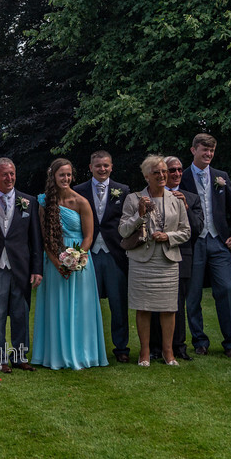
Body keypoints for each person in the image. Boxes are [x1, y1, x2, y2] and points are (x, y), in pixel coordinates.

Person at [32, 158, 108, 370]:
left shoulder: (81, 202)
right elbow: (44, 237)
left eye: (68, 175)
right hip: (54, 261)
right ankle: (55, 353)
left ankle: (83, 353)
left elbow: (89, 237)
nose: (65, 178)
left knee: (79, 309)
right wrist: (57, 263)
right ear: (53, 177)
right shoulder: (44, 203)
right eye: (61, 175)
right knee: (56, 307)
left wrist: (75, 259)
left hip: (80, 263)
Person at [119, 155, 191, 366]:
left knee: (169, 308)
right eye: (156, 172)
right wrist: (139, 215)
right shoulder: (133, 199)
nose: (162, 176)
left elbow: (186, 232)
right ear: (146, 176)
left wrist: (168, 236)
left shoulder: (176, 200)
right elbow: (123, 231)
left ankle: (169, 353)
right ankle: (144, 352)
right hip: (142, 260)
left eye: (164, 172)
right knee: (143, 307)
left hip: (167, 260)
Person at [179, 133, 231, 357]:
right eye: (204, 149)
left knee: (226, 289)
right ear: (193, 150)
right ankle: (199, 341)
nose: (208, 154)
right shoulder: (182, 177)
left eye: (212, 150)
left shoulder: (221, 177)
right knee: (192, 294)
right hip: (193, 243)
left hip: (219, 242)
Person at [0, 158, 43, 373]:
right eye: (4, 174)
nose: (9, 178)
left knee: (21, 313)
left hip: (20, 267)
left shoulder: (28, 201)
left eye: (12, 174)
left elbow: (35, 238)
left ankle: (19, 356)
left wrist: (37, 268)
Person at [74, 150, 131, 363]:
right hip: (88, 253)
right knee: (88, 303)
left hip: (114, 253)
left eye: (106, 165)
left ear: (111, 166)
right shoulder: (78, 191)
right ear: (90, 167)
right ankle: (88, 347)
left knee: (118, 303)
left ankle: (121, 347)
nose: (102, 169)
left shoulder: (123, 190)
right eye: (98, 165)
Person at [150, 156, 204, 361]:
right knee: (155, 301)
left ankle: (178, 346)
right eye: (171, 170)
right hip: (156, 255)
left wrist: (186, 209)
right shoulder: (152, 195)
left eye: (179, 170)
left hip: (182, 255)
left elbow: (198, 229)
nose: (176, 174)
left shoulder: (191, 198)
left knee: (177, 303)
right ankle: (156, 347)